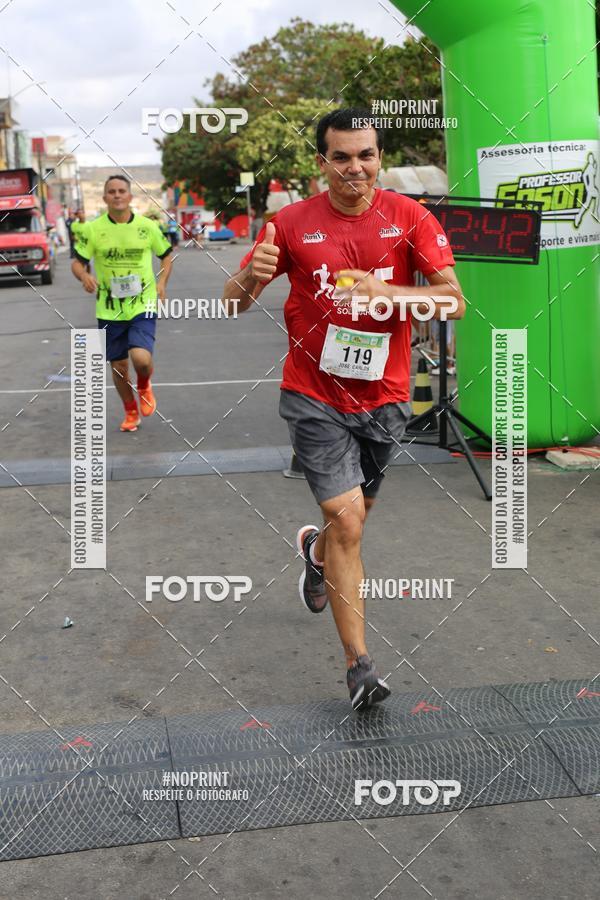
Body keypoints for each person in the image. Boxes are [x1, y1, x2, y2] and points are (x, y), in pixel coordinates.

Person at [221, 108, 465, 711]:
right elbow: (231, 306)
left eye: (366, 155)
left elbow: (453, 302)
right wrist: (246, 280)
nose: (355, 167)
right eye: (341, 156)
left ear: (378, 157)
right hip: (313, 395)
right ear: (322, 161)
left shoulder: (410, 216)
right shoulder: (290, 223)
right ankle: (360, 668)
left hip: (384, 396)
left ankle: (313, 553)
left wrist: (393, 293)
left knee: (352, 520)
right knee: (349, 523)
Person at [71, 175, 173, 432]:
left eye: (121, 191)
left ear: (130, 197)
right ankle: (130, 411)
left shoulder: (147, 227)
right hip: (109, 307)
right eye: (111, 191)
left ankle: (144, 383)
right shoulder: (93, 229)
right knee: (118, 366)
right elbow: (77, 262)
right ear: (105, 198)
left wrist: (161, 284)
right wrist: (84, 275)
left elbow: (167, 257)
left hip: (143, 303)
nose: (117, 195)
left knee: (140, 358)